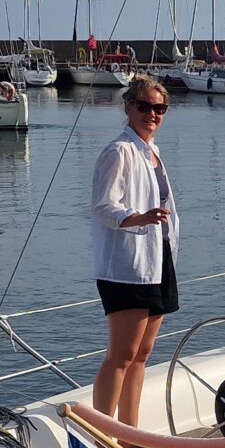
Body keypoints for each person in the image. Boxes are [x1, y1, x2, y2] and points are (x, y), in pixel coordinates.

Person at [90, 74, 178, 426]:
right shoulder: (119, 151)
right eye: (144, 107)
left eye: (159, 109)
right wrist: (137, 218)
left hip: (158, 259)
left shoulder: (152, 152)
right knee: (122, 355)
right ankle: (101, 435)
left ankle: (130, 433)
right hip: (127, 266)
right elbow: (103, 206)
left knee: (142, 353)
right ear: (127, 107)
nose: (151, 114)